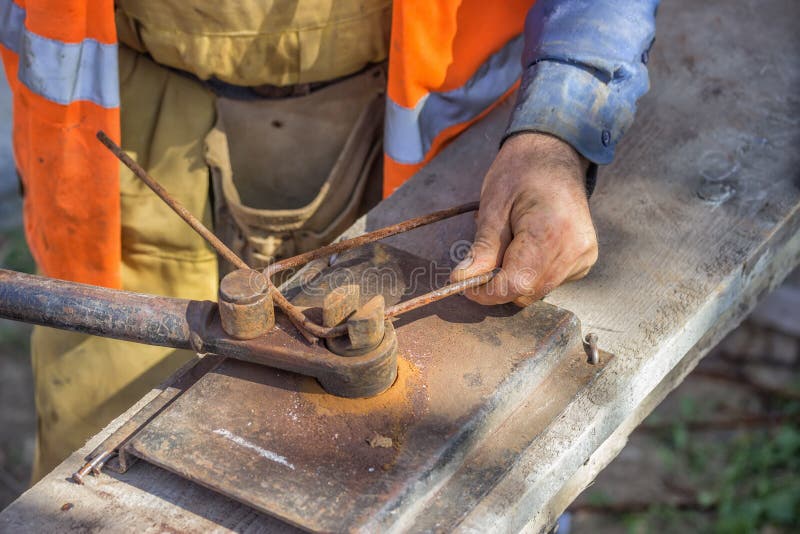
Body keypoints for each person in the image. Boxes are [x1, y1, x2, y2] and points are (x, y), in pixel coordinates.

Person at [0, 0, 658, 480]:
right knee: (104, 478)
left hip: (429, 141)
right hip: (127, 124)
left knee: (463, 477)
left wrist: (559, 124)